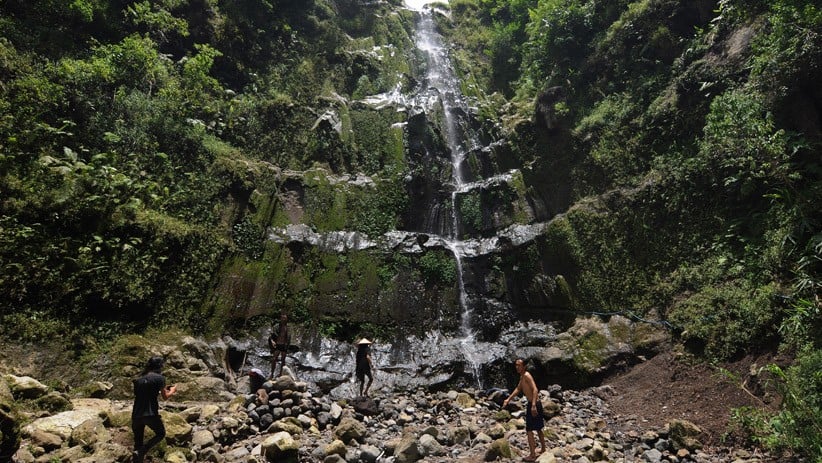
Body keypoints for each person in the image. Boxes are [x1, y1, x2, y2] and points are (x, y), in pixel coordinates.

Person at [132, 356, 176, 463]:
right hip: (150, 413)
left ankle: (138, 456)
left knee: (138, 444)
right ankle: (144, 450)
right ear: (159, 366)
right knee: (160, 433)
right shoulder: (160, 378)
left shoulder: (138, 380)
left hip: (136, 415)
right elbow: (165, 396)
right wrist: (173, 390)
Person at [502, 358, 547, 462]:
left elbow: (535, 389)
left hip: (534, 404)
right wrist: (508, 399)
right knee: (539, 428)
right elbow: (518, 389)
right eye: (516, 365)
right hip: (534, 404)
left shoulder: (526, 375)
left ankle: (532, 455)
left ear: (524, 366)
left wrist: (534, 405)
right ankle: (543, 449)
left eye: (519, 365)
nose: (517, 367)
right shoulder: (522, 377)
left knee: (529, 430)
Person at [268, 313, 290, 378]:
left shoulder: (288, 327)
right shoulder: (276, 326)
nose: (284, 319)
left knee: (283, 360)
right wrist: (272, 342)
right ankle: (272, 374)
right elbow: (271, 336)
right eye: (283, 318)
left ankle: (281, 374)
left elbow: (289, 337)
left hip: (284, 345)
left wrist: (287, 345)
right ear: (280, 319)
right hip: (277, 345)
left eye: (285, 318)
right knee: (274, 359)